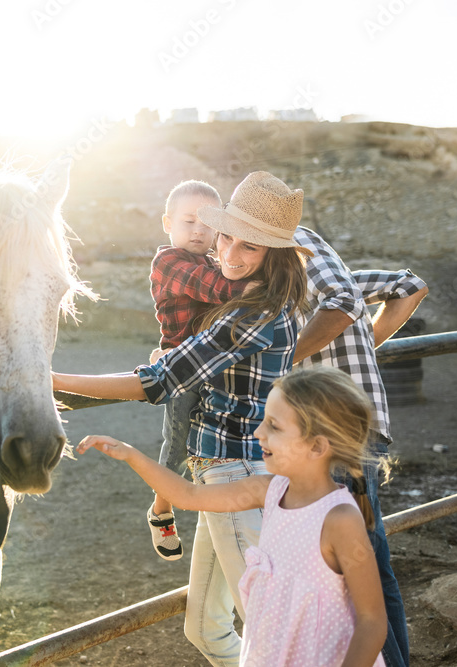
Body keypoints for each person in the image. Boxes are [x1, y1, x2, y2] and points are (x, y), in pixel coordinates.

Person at [53, 171, 312, 666]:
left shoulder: (252, 314)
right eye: (226, 238)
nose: (231, 255)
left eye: (249, 248)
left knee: (273, 637)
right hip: (226, 472)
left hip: (235, 471)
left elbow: (156, 382)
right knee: (205, 630)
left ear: (272, 255)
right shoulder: (269, 299)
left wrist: (53, 380)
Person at [76, 366, 388, 667]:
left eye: (274, 426)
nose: (258, 433)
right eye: (263, 420)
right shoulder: (269, 490)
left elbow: (372, 621)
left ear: (317, 446)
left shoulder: (340, 519)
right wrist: (131, 454)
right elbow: (189, 495)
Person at [292, 225, 428, 667]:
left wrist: (287, 356)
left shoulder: (296, 241)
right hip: (346, 427)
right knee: (369, 558)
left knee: (353, 567)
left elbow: (344, 302)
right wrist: (366, 341)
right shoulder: (332, 274)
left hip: (339, 429)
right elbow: (411, 286)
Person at [146, 180, 257, 561]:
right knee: (177, 442)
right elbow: (216, 289)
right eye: (189, 221)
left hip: (217, 368)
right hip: (182, 369)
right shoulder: (169, 261)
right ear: (167, 222)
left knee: (213, 446)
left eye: (208, 224)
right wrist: (268, 283)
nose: (198, 231)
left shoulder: (216, 260)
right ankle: (161, 509)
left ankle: (221, 506)